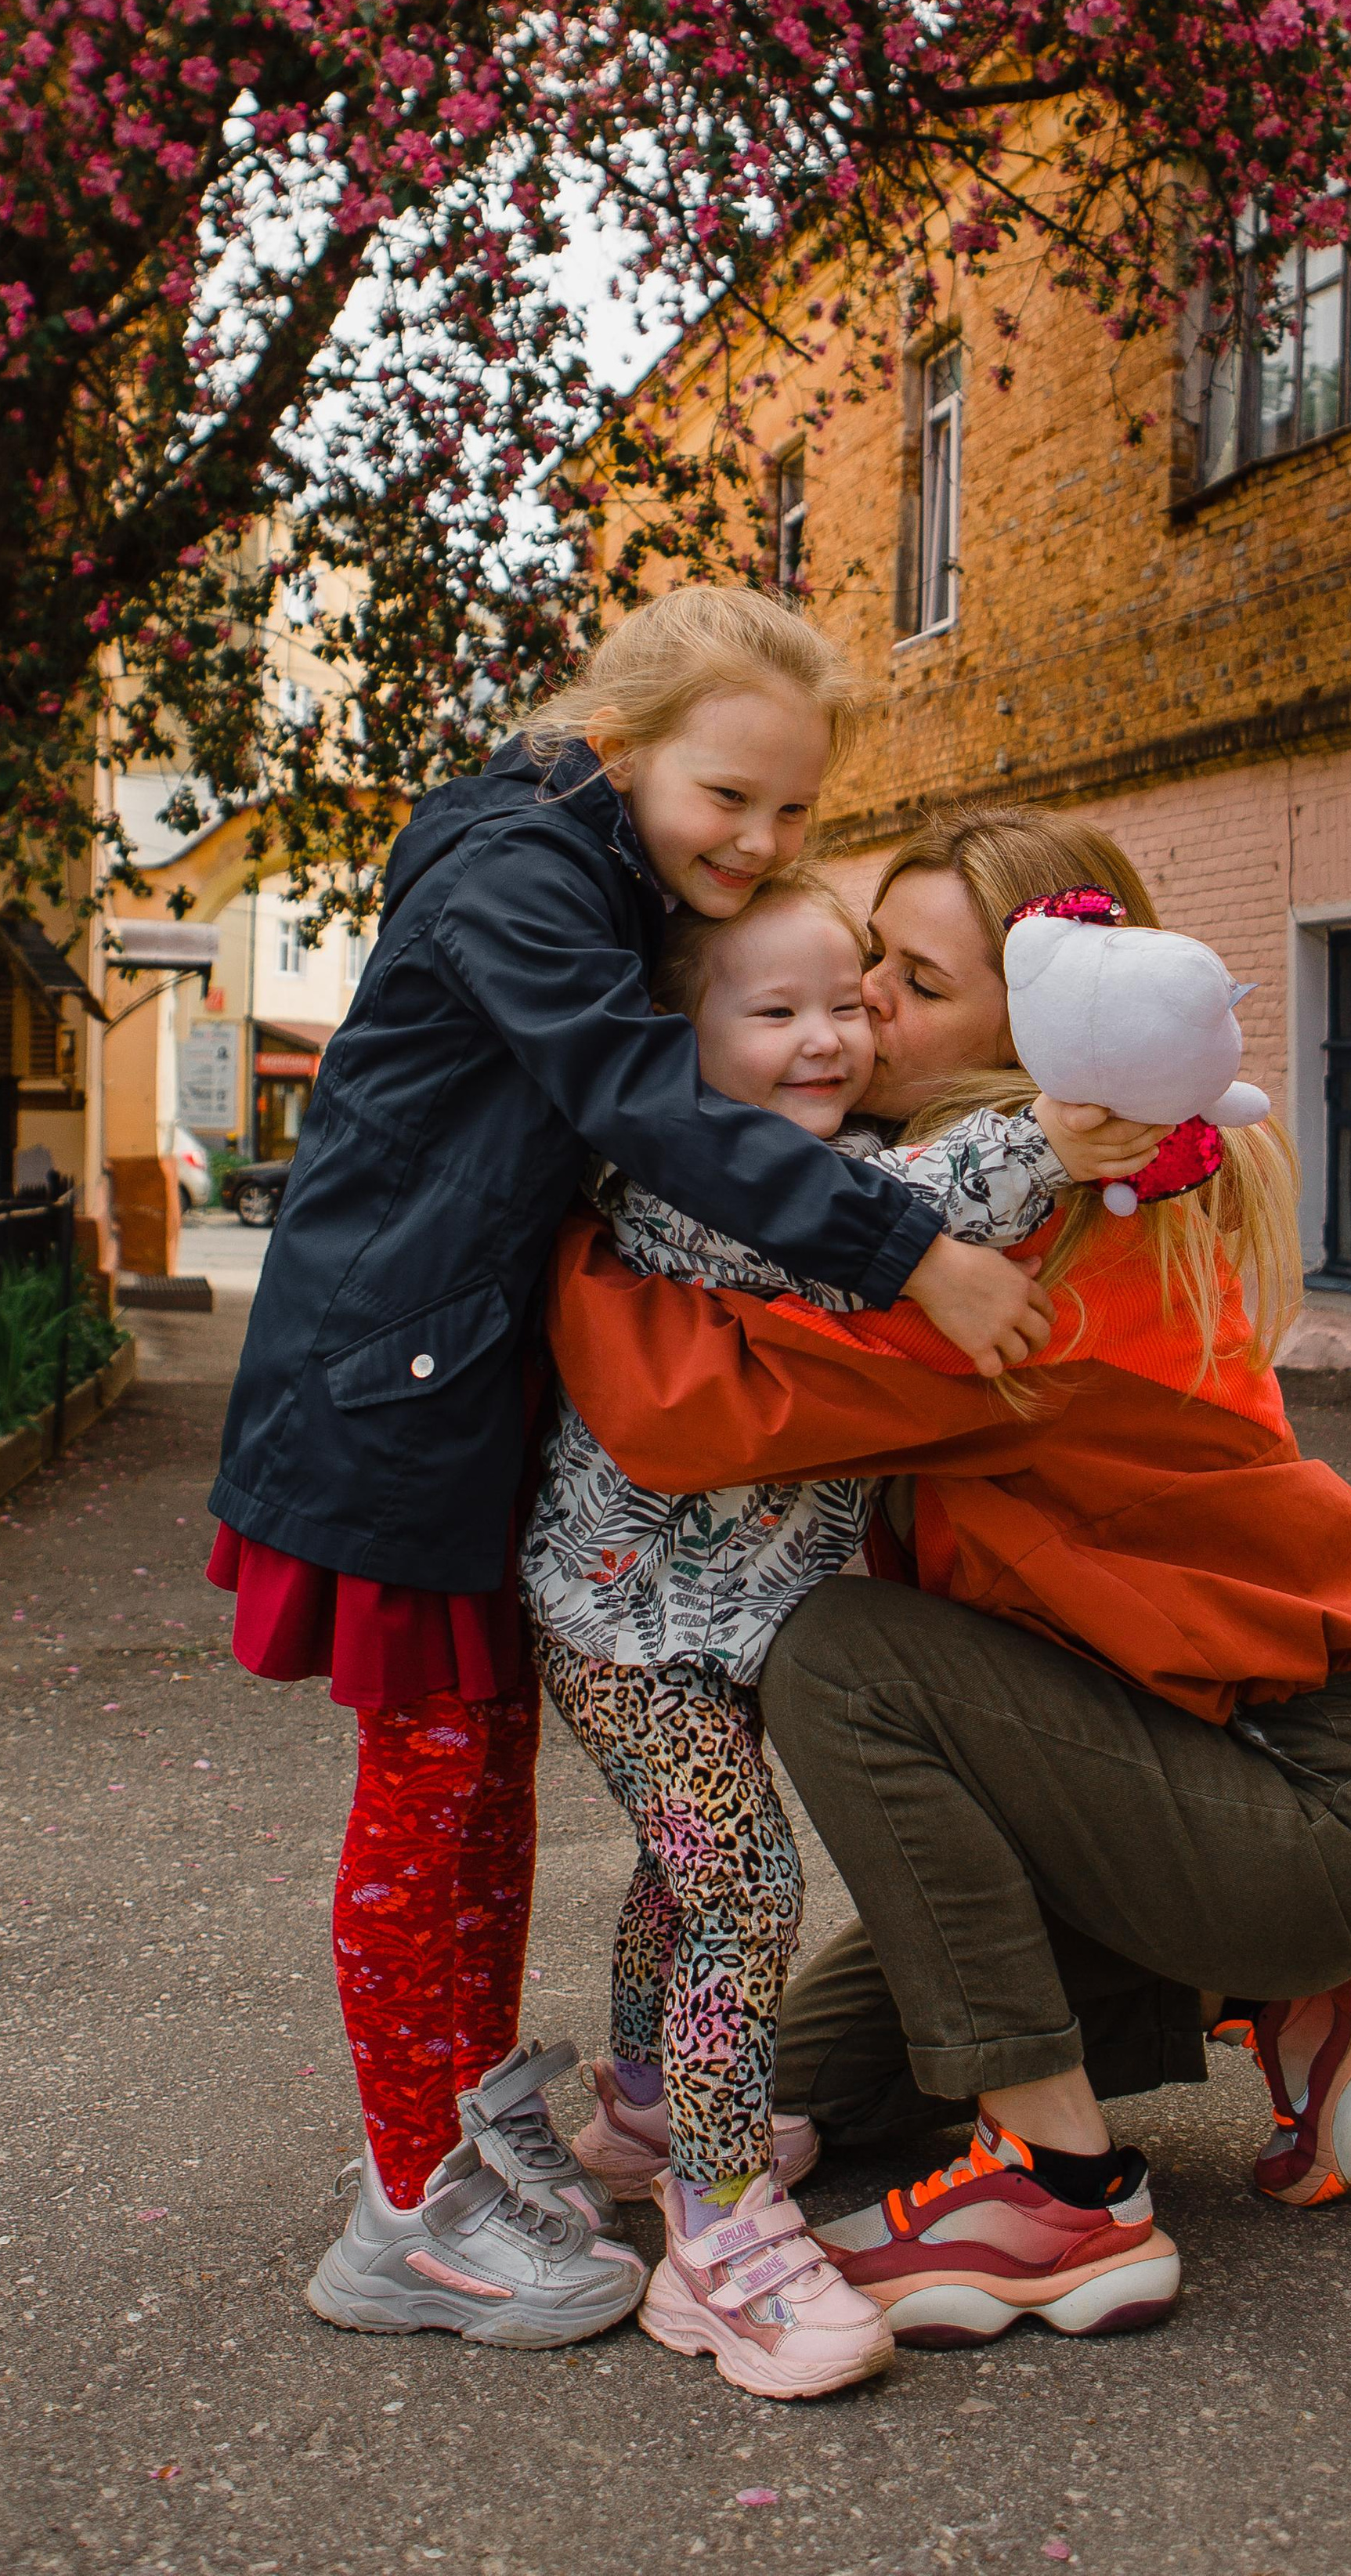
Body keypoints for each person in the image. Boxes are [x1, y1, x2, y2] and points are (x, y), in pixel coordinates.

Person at [203, 594, 1065, 2350]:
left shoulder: (590, 870)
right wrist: (914, 1258)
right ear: (621, 746)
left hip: (444, 1383)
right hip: (390, 1400)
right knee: (430, 1808)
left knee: (479, 1794)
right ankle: (407, 2208)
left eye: (795, 812)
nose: (757, 842)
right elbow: (642, 1101)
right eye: (726, 796)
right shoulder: (527, 882)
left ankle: (474, 2128)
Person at [544, 804, 1351, 2350]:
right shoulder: (957, 1197)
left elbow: (671, 1403)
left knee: (836, 1653)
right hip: (1154, 1755)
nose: (860, 999)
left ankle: (1056, 2191)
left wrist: (578, 1226)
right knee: (796, 2084)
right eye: (865, 956)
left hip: (1279, 1795)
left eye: (914, 977)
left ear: (1036, 1040)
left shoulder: (1028, 1261)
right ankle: (1264, 1979)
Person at [522, 865, 1155, 2397]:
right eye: (773, 1011)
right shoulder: (671, 1180)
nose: (823, 1039)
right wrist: (1040, 1146)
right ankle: (718, 2229)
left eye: (840, 1004)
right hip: (628, 1622)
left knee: (685, 1881)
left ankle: (638, 2108)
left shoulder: (854, 1154)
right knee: (739, 1879)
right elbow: (846, 1233)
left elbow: (894, 1185)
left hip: (736, 1619)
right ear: (680, 1042)